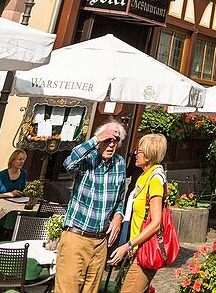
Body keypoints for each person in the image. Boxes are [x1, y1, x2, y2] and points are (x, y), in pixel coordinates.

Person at [54, 120, 127, 293]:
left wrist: (118, 216)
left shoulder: (120, 164)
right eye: (106, 140)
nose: (110, 144)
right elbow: (68, 163)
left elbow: (120, 199)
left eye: (114, 140)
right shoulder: (87, 159)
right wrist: (96, 139)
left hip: (100, 242)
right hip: (76, 238)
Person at [109, 133, 168, 293]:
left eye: (139, 151)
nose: (135, 153)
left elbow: (156, 223)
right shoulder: (144, 176)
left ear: (149, 155)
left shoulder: (155, 179)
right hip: (137, 250)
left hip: (145, 251)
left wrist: (128, 245)